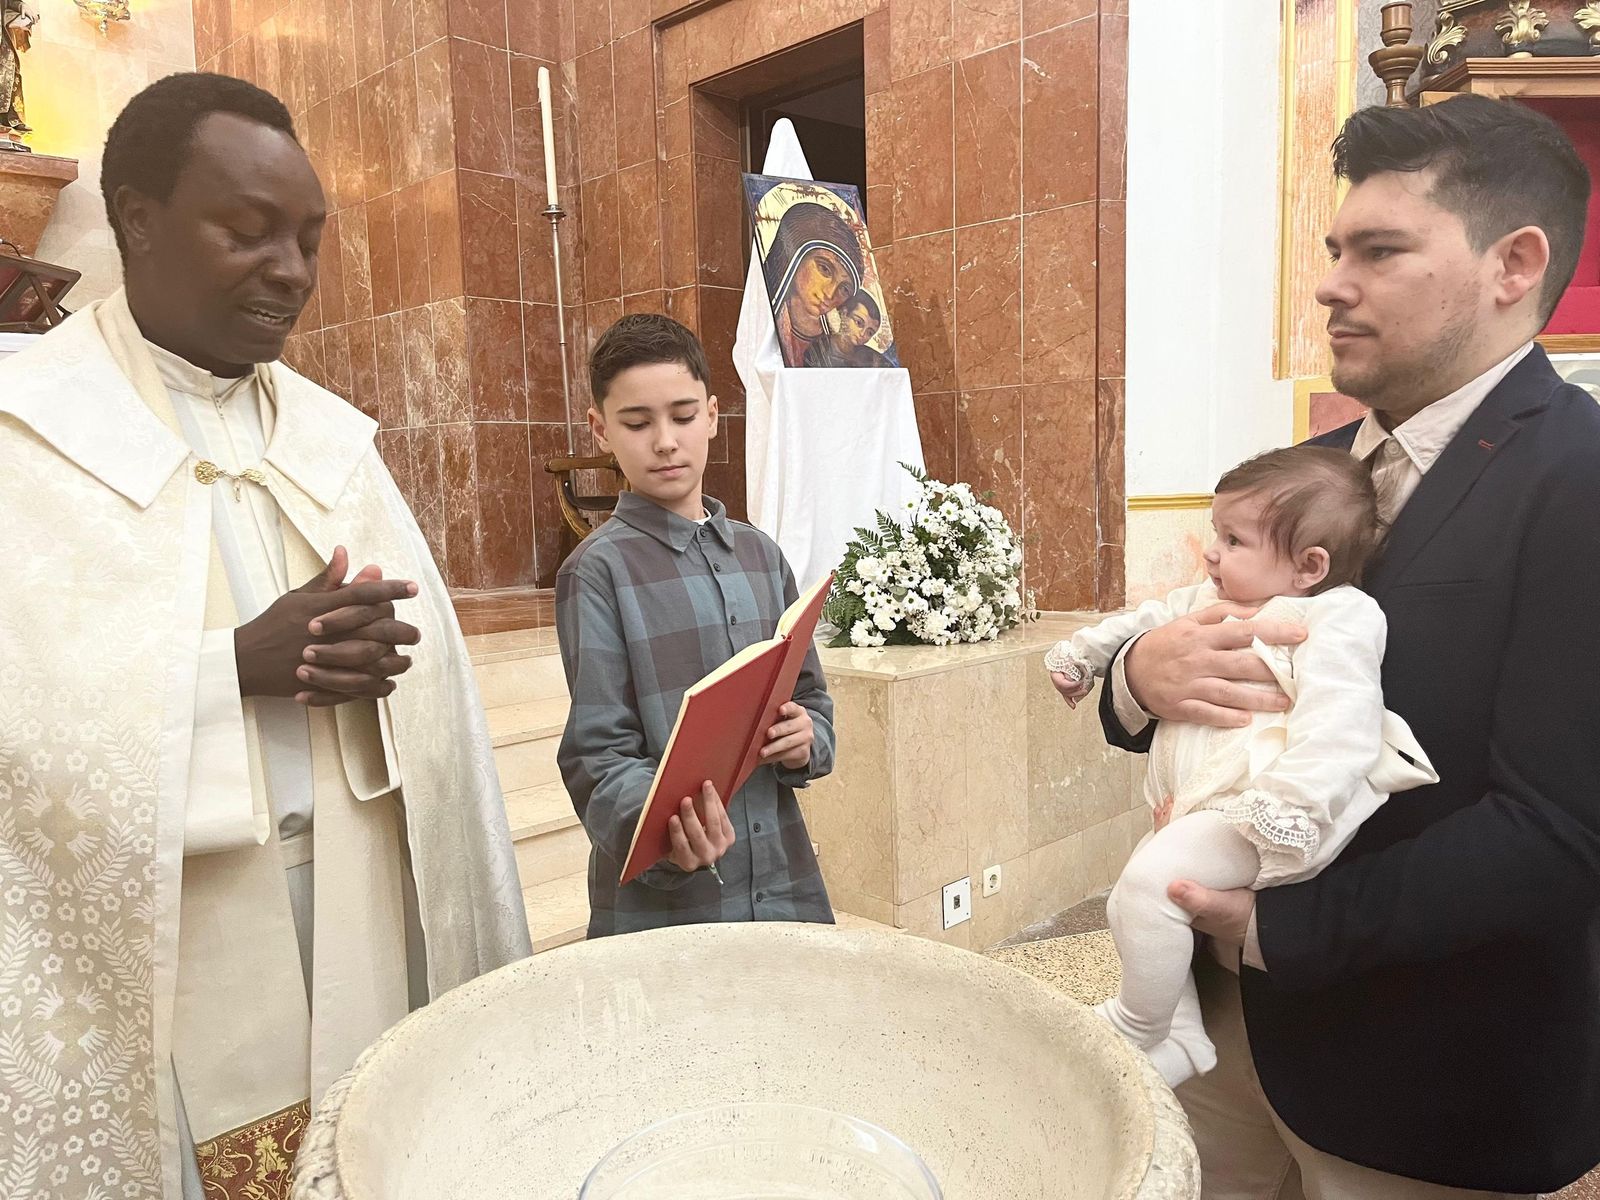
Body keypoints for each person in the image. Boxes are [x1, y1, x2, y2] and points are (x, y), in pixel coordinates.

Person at [0, 73, 530, 1198]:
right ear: (138, 220)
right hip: (168, 944)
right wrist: (227, 670)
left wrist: (393, 673)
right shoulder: (27, 435)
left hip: (357, 905)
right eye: (247, 232)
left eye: (307, 238)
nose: (290, 271)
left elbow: (441, 721)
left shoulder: (335, 442)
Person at [1099, 95, 1600, 1197]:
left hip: (1425, 1079)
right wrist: (1137, 678)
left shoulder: (1579, 476)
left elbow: (1559, 829)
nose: (1329, 283)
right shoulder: (1310, 472)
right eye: (1334, 249)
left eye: (1378, 251)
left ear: (1512, 263)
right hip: (1220, 1035)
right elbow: (1210, 659)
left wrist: (1276, 928)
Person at [1048, 447, 1435, 1089]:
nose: (1211, 551)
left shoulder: (1337, 615)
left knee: (1145, 892)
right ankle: (1179, 1036)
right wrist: (1085, 657)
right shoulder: (1210, 595)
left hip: (1269, 810)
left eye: (1233, 539)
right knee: (1139, 906)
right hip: (1203, 805)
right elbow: (1142, 622)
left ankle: (1136, 1026)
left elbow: (1343, 721)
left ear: (1311, 566)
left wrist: (1288, 806)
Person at [555, 313, 837, 936]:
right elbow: (597, 754)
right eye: (637, 423)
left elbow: (812, 698)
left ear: (712, 415)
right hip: (671, 903)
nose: (664, 441)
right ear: (601, 429)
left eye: (683, 417)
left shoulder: (763, 556)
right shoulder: (597, 573)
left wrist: (805, 739)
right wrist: (659, 828)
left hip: (782, 875)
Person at [761, 199, 864, 367]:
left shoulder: (837, 344)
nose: (830, 294)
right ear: (793, 258)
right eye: (824, 269)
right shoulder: (763, 326)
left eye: (844, 289)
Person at [802, 289, 891, 368]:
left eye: (870, 332)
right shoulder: (818, 350)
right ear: (844, 313)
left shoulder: (872, 358)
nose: (862, 334)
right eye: (859, 323)